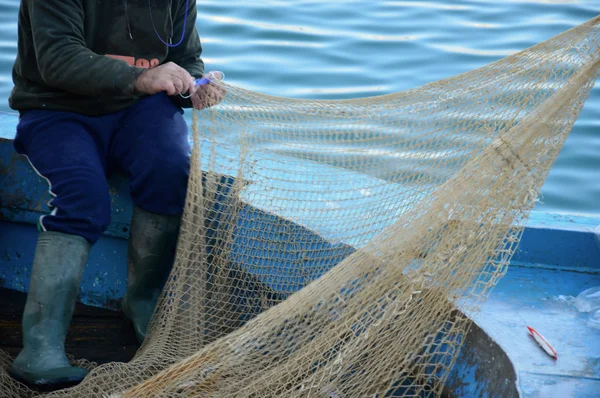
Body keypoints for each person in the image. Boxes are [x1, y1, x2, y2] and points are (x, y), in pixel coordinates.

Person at [8, 0, 224, 389]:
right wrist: (143, 78)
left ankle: (143, 303)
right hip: (57, 109)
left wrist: (194, 86)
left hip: (140, 111)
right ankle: (39, 347)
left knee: (171, 169)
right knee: (81, 197)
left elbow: (187, 58)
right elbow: (57, 58)